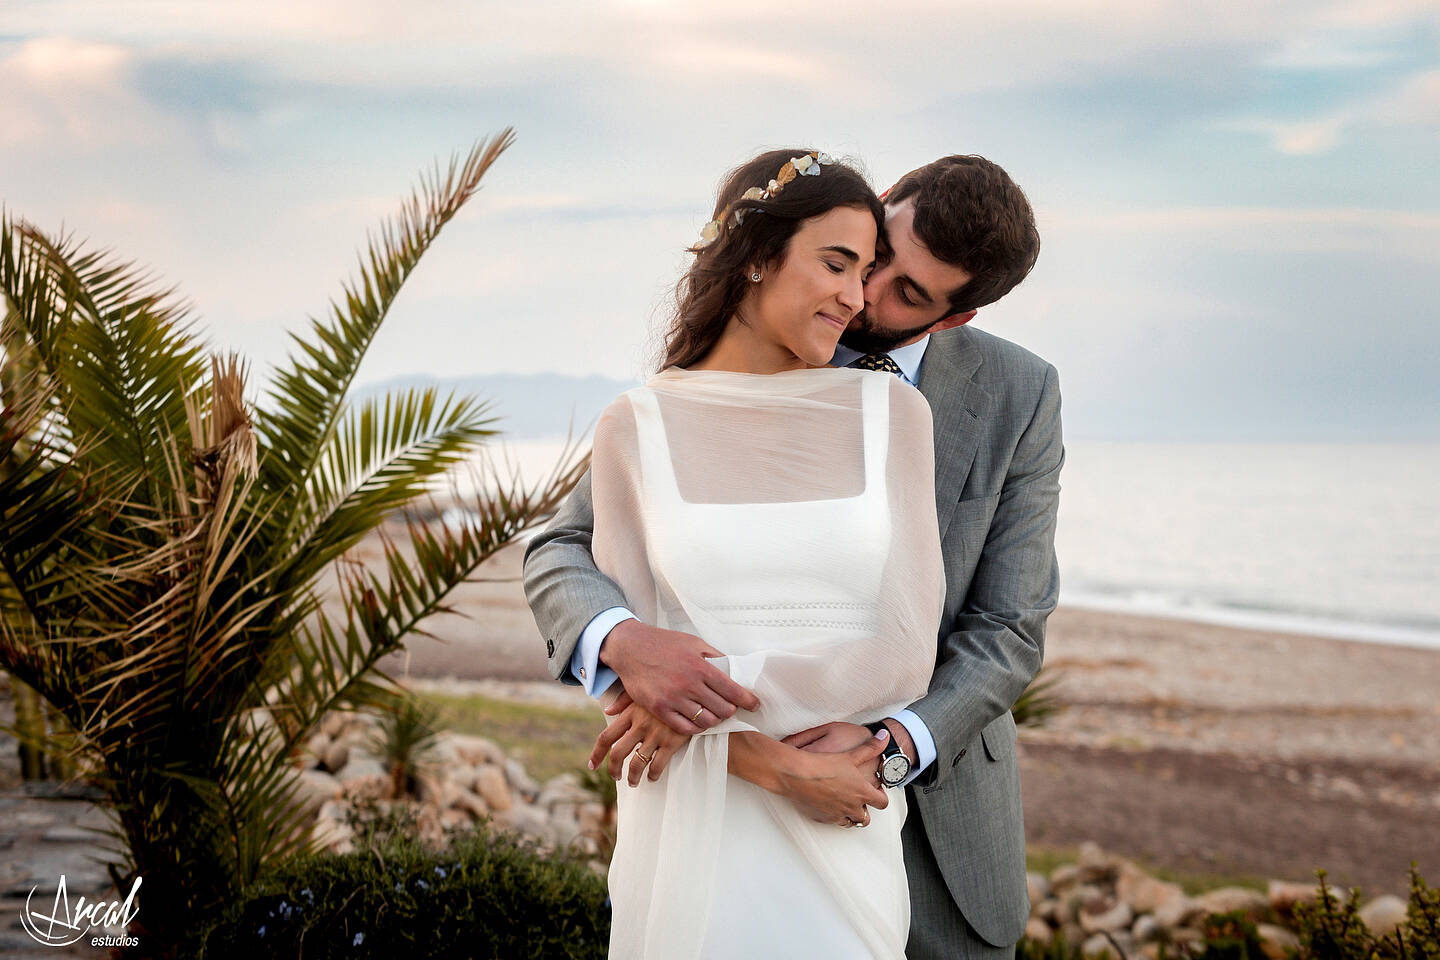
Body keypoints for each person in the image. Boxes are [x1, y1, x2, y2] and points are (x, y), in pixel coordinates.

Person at [525, 153, 1062, 960]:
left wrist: (883, 750)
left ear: (953, 318)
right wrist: (633, 650)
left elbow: (1008, 629)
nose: (864, 296)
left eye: (907, 294)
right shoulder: (697, 390)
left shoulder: (1015, 396)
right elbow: (568, 546)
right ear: (878, 209)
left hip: (942, 831)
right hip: (719, 814)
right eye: (871, 258)